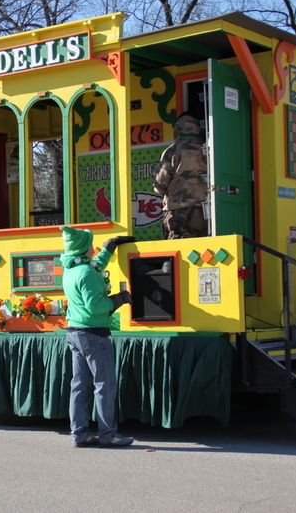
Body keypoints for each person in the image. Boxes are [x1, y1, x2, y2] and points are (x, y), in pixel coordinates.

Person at [60, 226, 135, 447]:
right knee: (105, 384)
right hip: (93, 333)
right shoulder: (86, 273)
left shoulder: (73, 268)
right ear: (84, 248)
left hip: (75, 332)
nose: (94, 247)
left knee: (80, 386)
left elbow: (94, 267)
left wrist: (108, 249)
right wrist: (120, 299)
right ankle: (108, 434)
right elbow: (96, 306)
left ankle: (79, 434)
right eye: (91, 244)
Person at [152, 112, 208, 240]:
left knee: (180, 252)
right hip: (206, 210)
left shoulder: (173, 150)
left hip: (179, 211)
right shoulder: (210, 148)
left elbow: (160, 184)